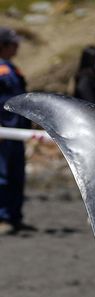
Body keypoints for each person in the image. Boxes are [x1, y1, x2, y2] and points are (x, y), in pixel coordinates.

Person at [0, 27, 30, 235]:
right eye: (13, 44)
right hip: (3, 133)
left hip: (17, 132)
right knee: (2, 176)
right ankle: (2, 217)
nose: (17, 47)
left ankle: (14, 216)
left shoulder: (14, 69)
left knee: (16, 175)